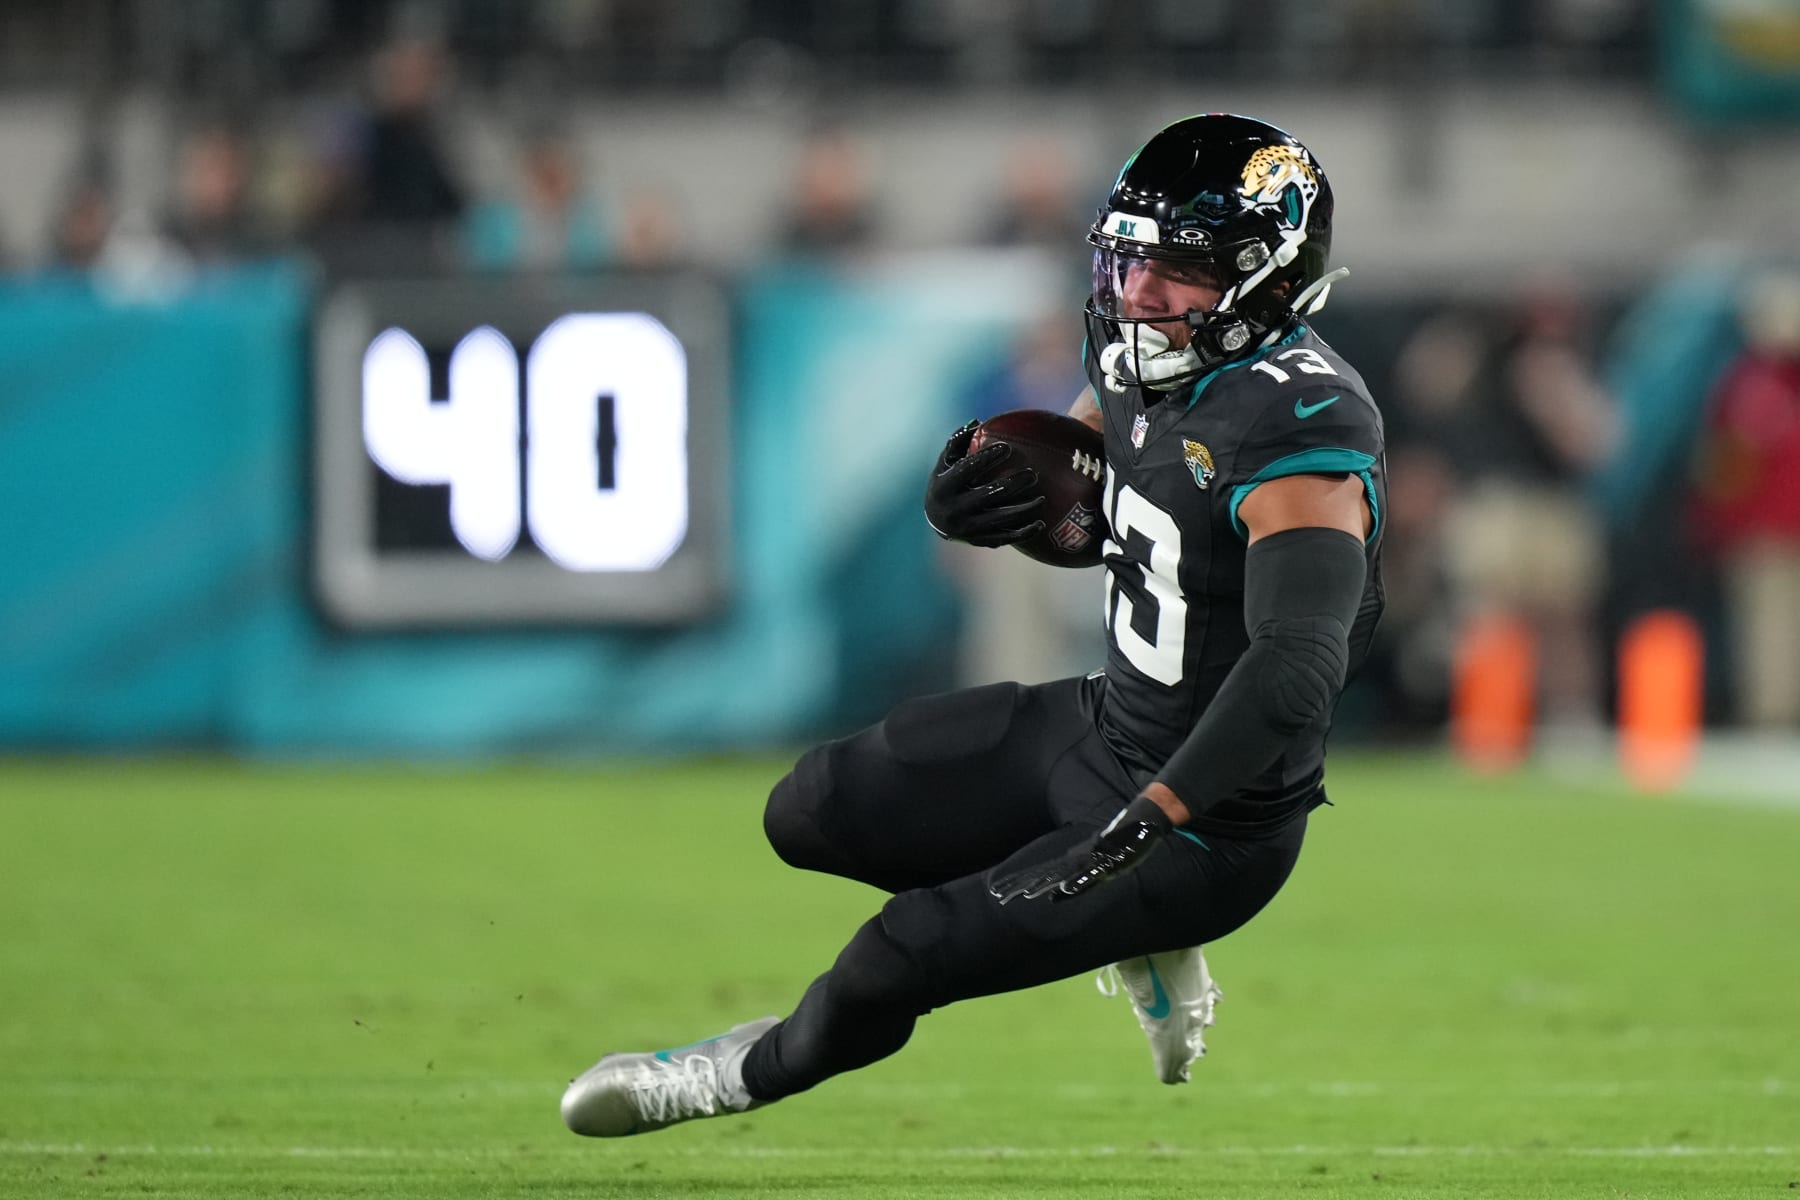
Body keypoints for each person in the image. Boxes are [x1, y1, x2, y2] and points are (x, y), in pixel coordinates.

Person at [561, 113, 1386, 1137]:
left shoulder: (1303, 425)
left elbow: (1296, 667)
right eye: (1130, 259)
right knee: (811, 809)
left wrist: (1149, 822)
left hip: (1209, 822)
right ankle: (1128, 934)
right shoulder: (1141, 349)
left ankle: (730, 1074)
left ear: (1267, 278)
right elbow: (1119, 503)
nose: (1138, 292)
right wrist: (1007, 504)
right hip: (1106, 728)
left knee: (899, 953)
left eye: (1178, 269)